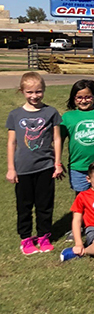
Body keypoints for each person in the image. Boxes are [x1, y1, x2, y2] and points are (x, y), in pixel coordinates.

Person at [6, 72, 62, 255]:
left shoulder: (51, 112)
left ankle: (44, 236)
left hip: (45, 167)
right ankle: (26, 239)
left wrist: (58, 163)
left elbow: (57, 138)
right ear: (22, 91)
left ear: (44, 90)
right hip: (22, 169)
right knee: (24, 206)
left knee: (45, 204)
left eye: (38, 91)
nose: (34, 96)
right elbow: (11, 143)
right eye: (29, 92)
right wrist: (11, 169)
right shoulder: (15, 115)